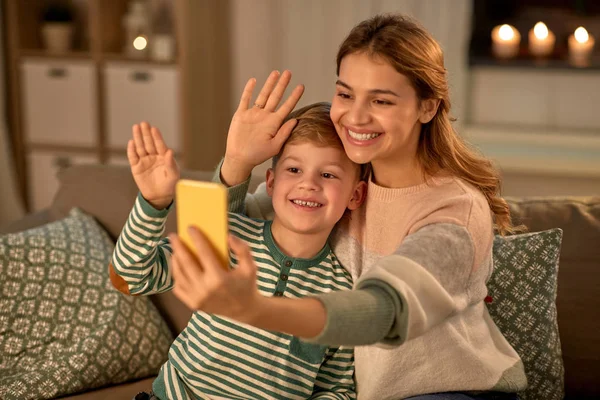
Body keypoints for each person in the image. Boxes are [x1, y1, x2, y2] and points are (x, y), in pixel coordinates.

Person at [167, 13, 528, 400]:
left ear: (427, 107)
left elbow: (383, 311)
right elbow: (208, 236)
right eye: (345, 93)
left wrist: (255, 309)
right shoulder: (335, 187)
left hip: (455, 392)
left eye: (381, 100)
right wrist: (237, 160)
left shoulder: (454, 211)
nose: (355, 116)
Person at [109, 102, 368, 399]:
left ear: (355, 195)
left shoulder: (344, 294)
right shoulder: (228, 233)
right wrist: (153, 203)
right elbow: (131, 277)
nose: (308, 184)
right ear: (270, 182)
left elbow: (337, 389)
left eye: (328, 175)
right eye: (294, 169)